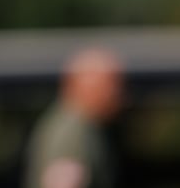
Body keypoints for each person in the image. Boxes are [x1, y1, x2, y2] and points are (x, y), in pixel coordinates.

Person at [22, 47, 126, 188]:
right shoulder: (72, 131)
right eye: (111, 83)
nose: (117, 93)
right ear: (82, 83)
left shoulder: (80, 125)